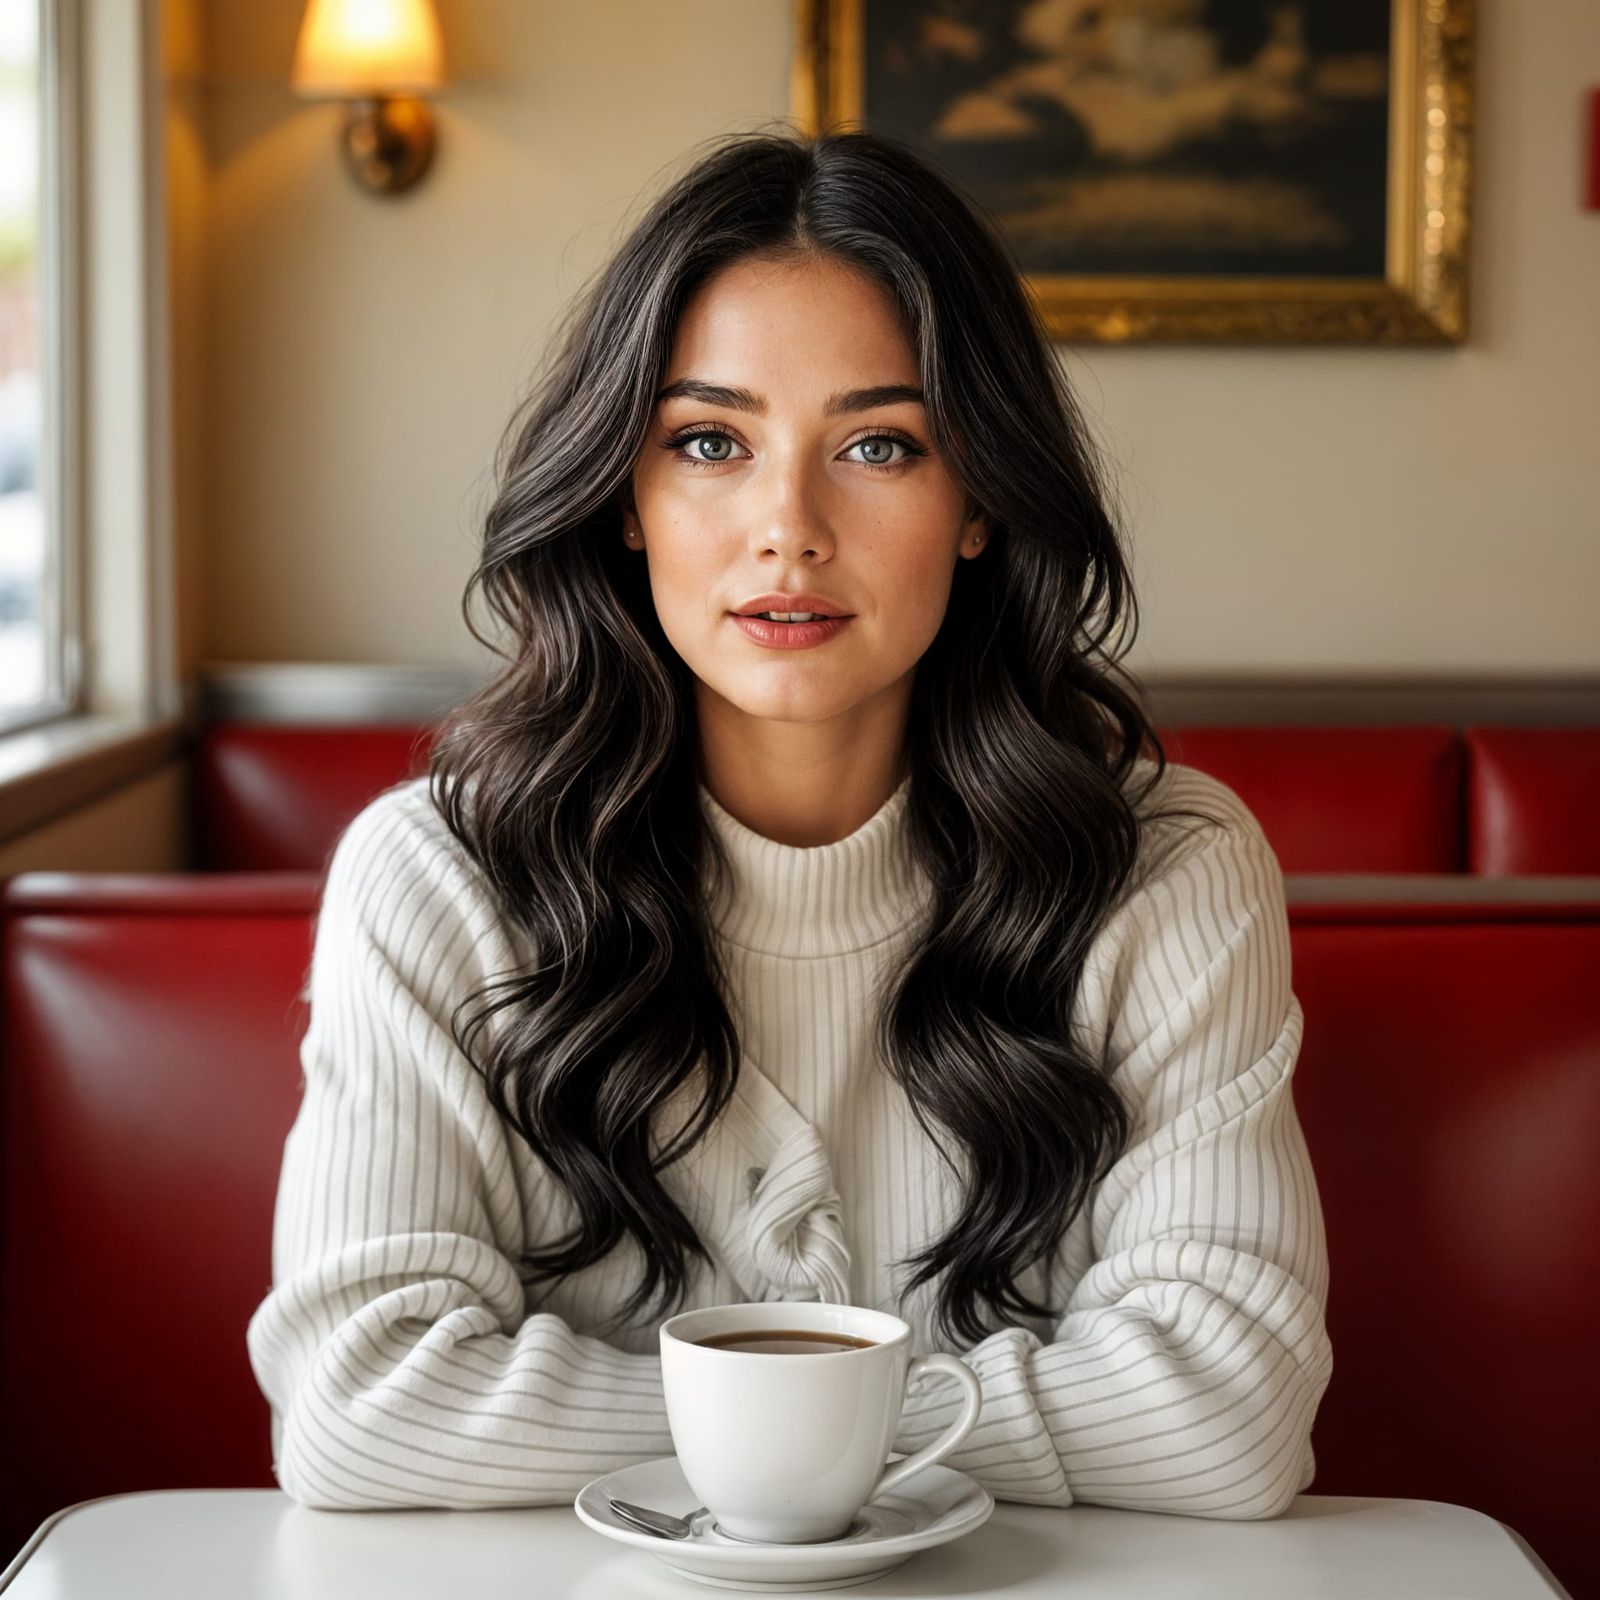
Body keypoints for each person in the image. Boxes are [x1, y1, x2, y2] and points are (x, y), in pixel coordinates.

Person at [246, 123, 1332, 1520]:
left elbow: (1228, 1416)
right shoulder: (441, 880)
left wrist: (673, 1429)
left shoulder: (1168, 871)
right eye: (709, 441)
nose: (787, 527)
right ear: (626, 499)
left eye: (879, 444)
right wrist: (896, 1430)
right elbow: (360, 1406)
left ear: (980, 500)